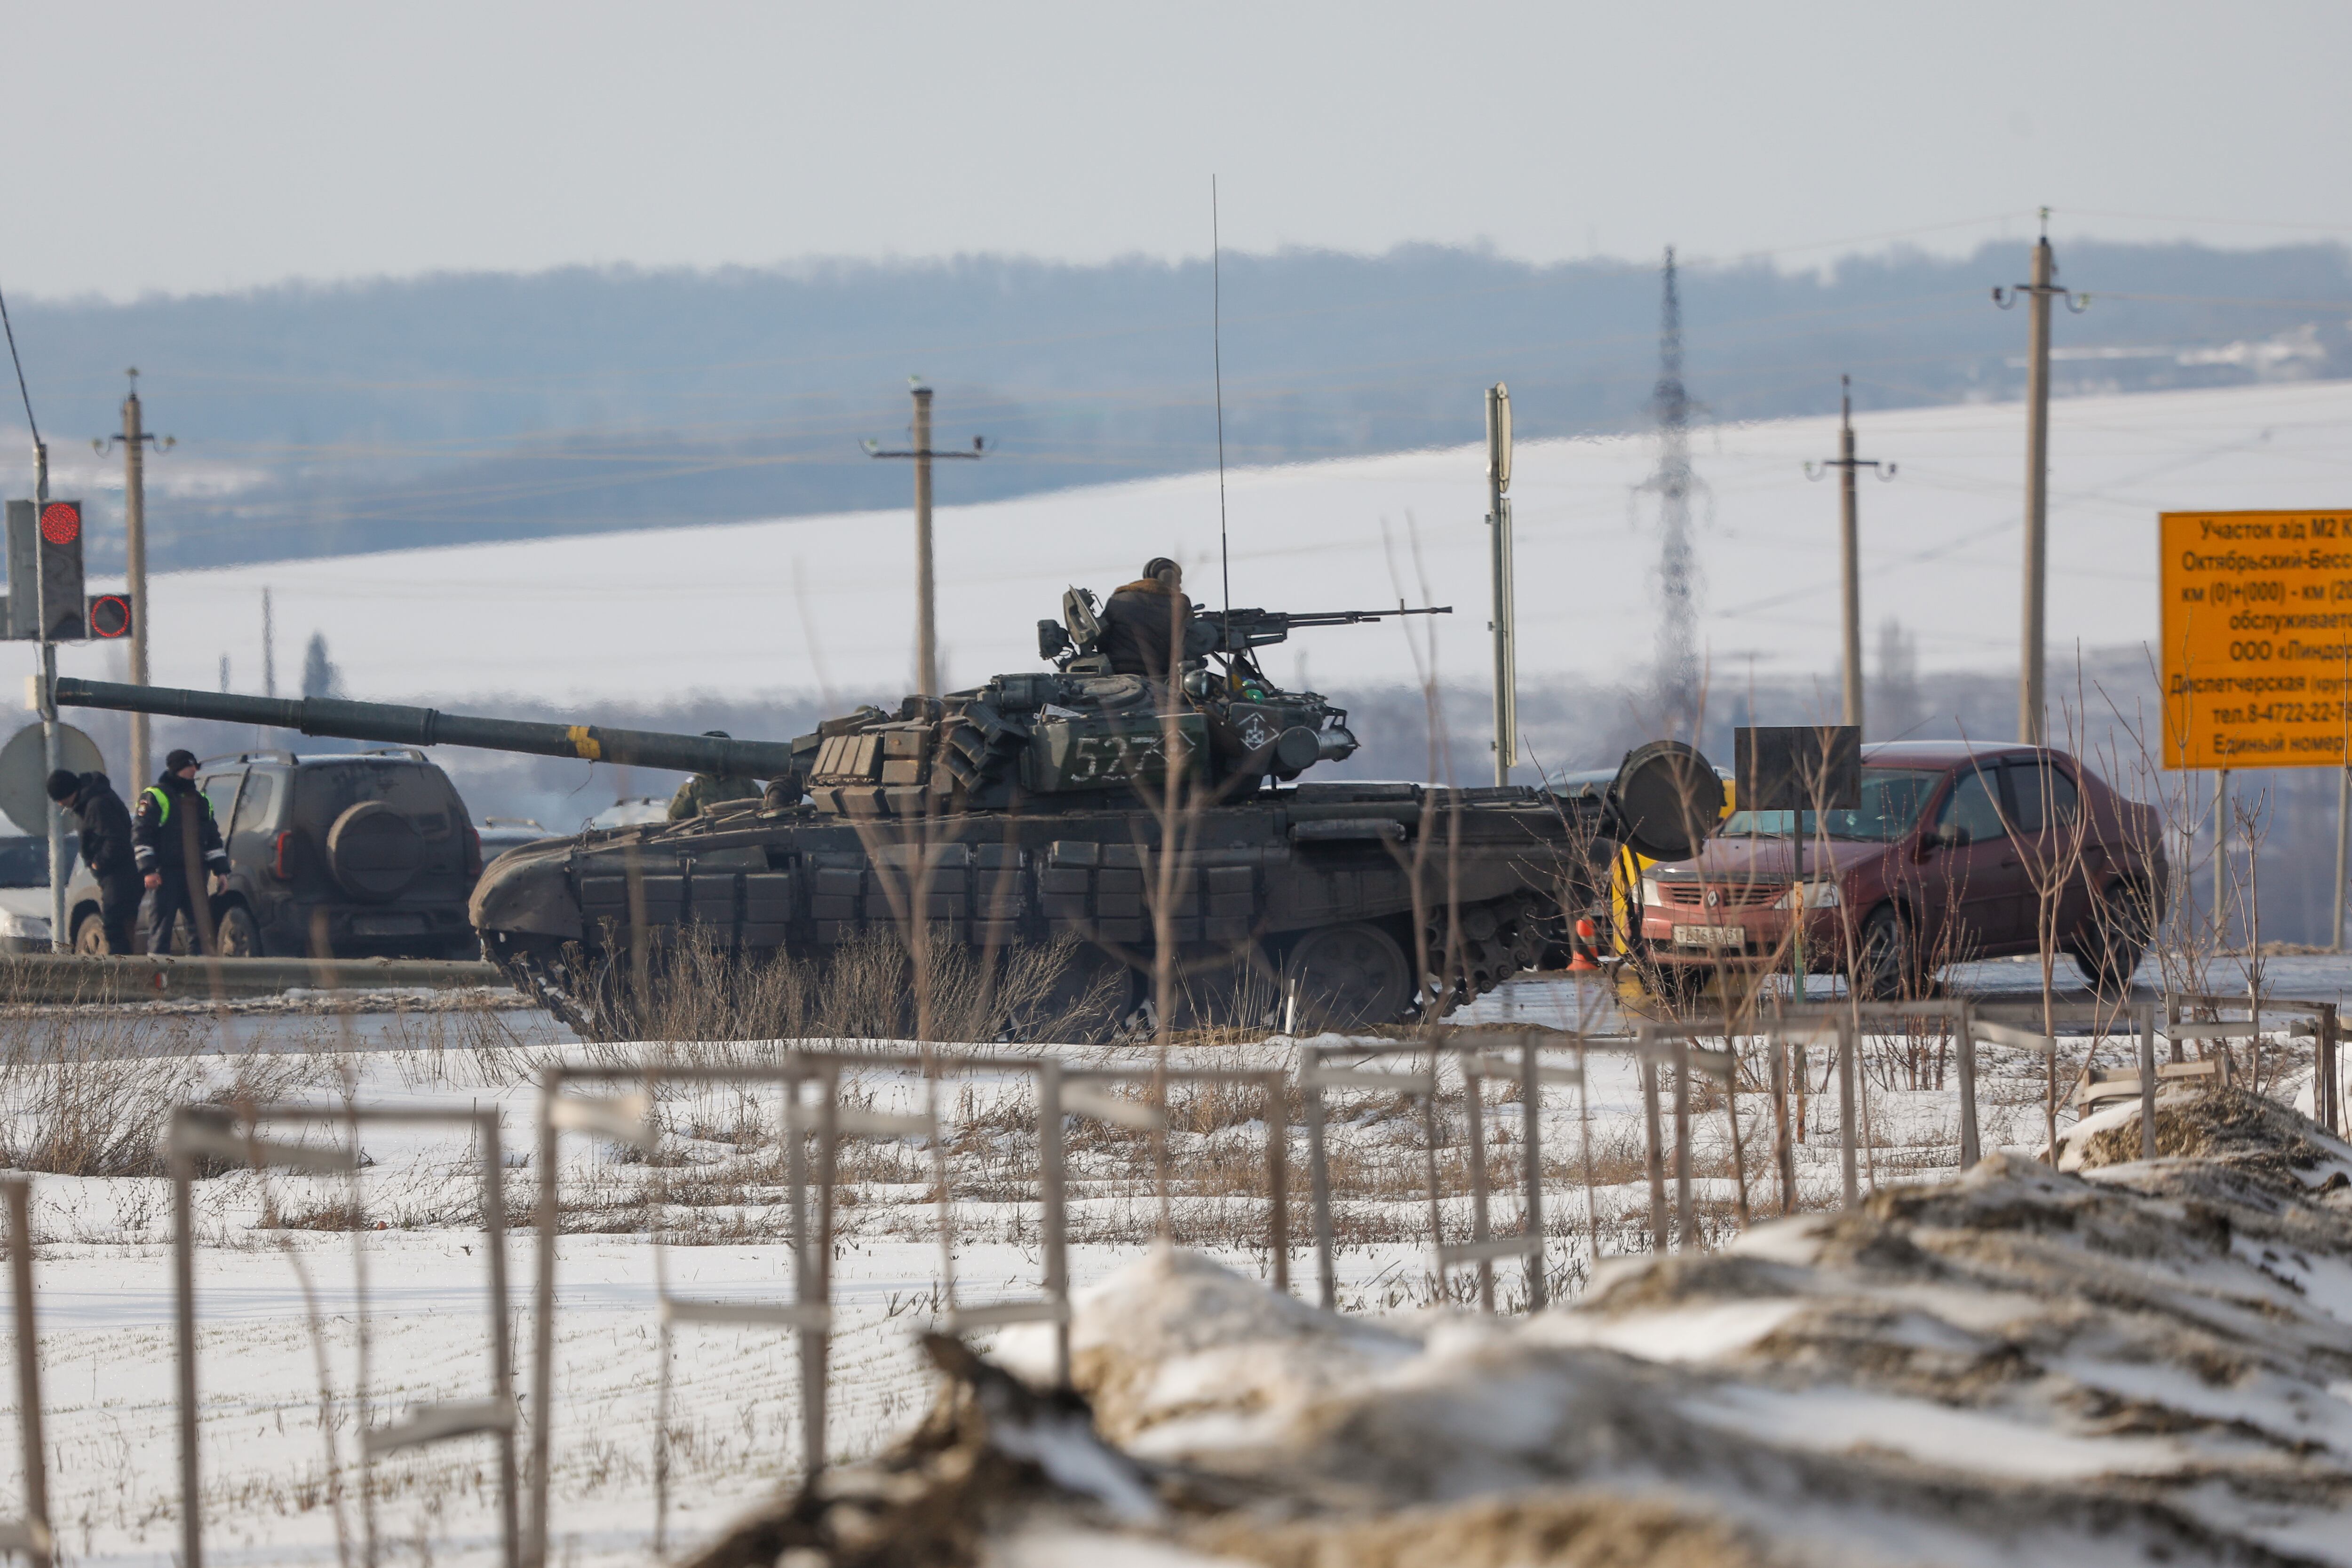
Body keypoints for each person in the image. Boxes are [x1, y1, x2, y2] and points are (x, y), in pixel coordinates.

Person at [133, 748, 229, 955]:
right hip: (166, 874)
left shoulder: (202, 800)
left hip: (196, 874)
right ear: (177, 769)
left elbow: (212, 839)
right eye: (189, 766)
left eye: (195, 766)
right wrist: (148, 870)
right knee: (161, 931)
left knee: (201, 932)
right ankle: (159, 982)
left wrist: (221, 871)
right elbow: (142, 835)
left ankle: (197, 980)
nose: (194, 770)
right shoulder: (155, 796)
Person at [45, 766, 138, 952]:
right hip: (115, 873)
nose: (61, 805)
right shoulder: (90, 801)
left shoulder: (96, 805)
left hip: (119, 873)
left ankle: (122, 974)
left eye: (60, 800)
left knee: (114, 926)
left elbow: (116, 840)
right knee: (117, 925)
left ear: (66, 794)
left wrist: (98, 863)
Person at [1098, 557, 1193, 680]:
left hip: (1117, 670)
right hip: (1158, 674)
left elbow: (1102, 638)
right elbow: (1185, 646)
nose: (1180, 589)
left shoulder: (1119, 599)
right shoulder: (1180, 606)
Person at [667, 731, 764, 820]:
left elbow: (764, 808)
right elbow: (675, 820)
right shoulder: (693, 786)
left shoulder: (744, 782)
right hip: (707, 836)